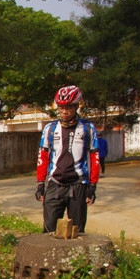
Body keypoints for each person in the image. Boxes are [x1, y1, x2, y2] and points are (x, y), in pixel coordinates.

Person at [35, 85, 100, 234]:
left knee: (77, 232)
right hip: (55, 183)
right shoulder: (50, 129)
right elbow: (42, 157)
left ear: (76, 106)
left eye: (69, 107)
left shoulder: (88, 128)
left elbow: (94, 158)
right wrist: (40, 184)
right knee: (49, 230)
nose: (64, 111)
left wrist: (92, 187)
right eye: (61, 107)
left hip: (78, 184)